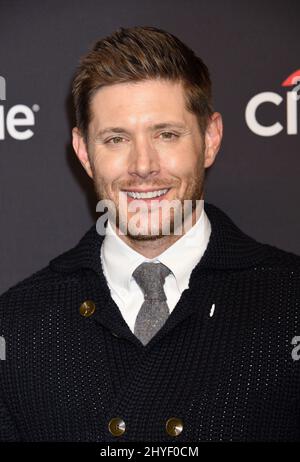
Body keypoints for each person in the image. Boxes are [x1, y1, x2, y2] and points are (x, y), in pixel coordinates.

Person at [0, 25, 299, 443]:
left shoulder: (290, 301)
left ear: (210, 139)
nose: (143, 165)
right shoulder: (15, 327)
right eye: (117, 138)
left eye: (166, 134)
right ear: (84, 152)